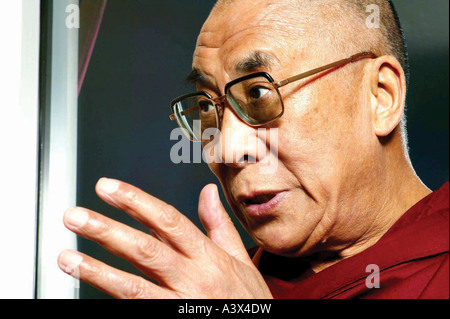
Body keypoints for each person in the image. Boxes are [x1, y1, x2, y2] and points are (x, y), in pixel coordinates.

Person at [58, 0, 449, 299]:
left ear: (380, 96)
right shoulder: (213, 289)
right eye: (208, 107)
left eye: (259, 93)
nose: (225, 148)